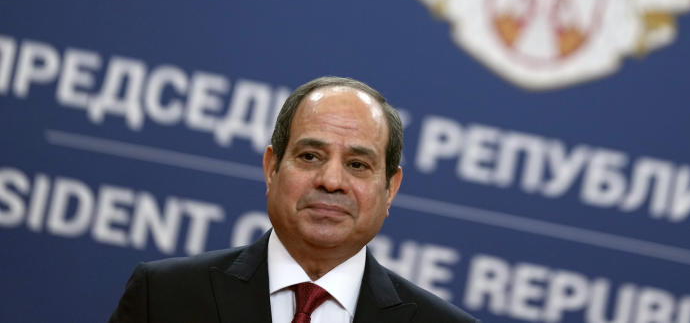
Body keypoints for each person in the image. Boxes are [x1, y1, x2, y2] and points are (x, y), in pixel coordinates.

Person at [109, 76, 478, 322]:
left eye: (357, 164)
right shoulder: (162, 297)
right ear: (272, 168)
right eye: (310, 157)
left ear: (390, 189)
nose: (332, 180)